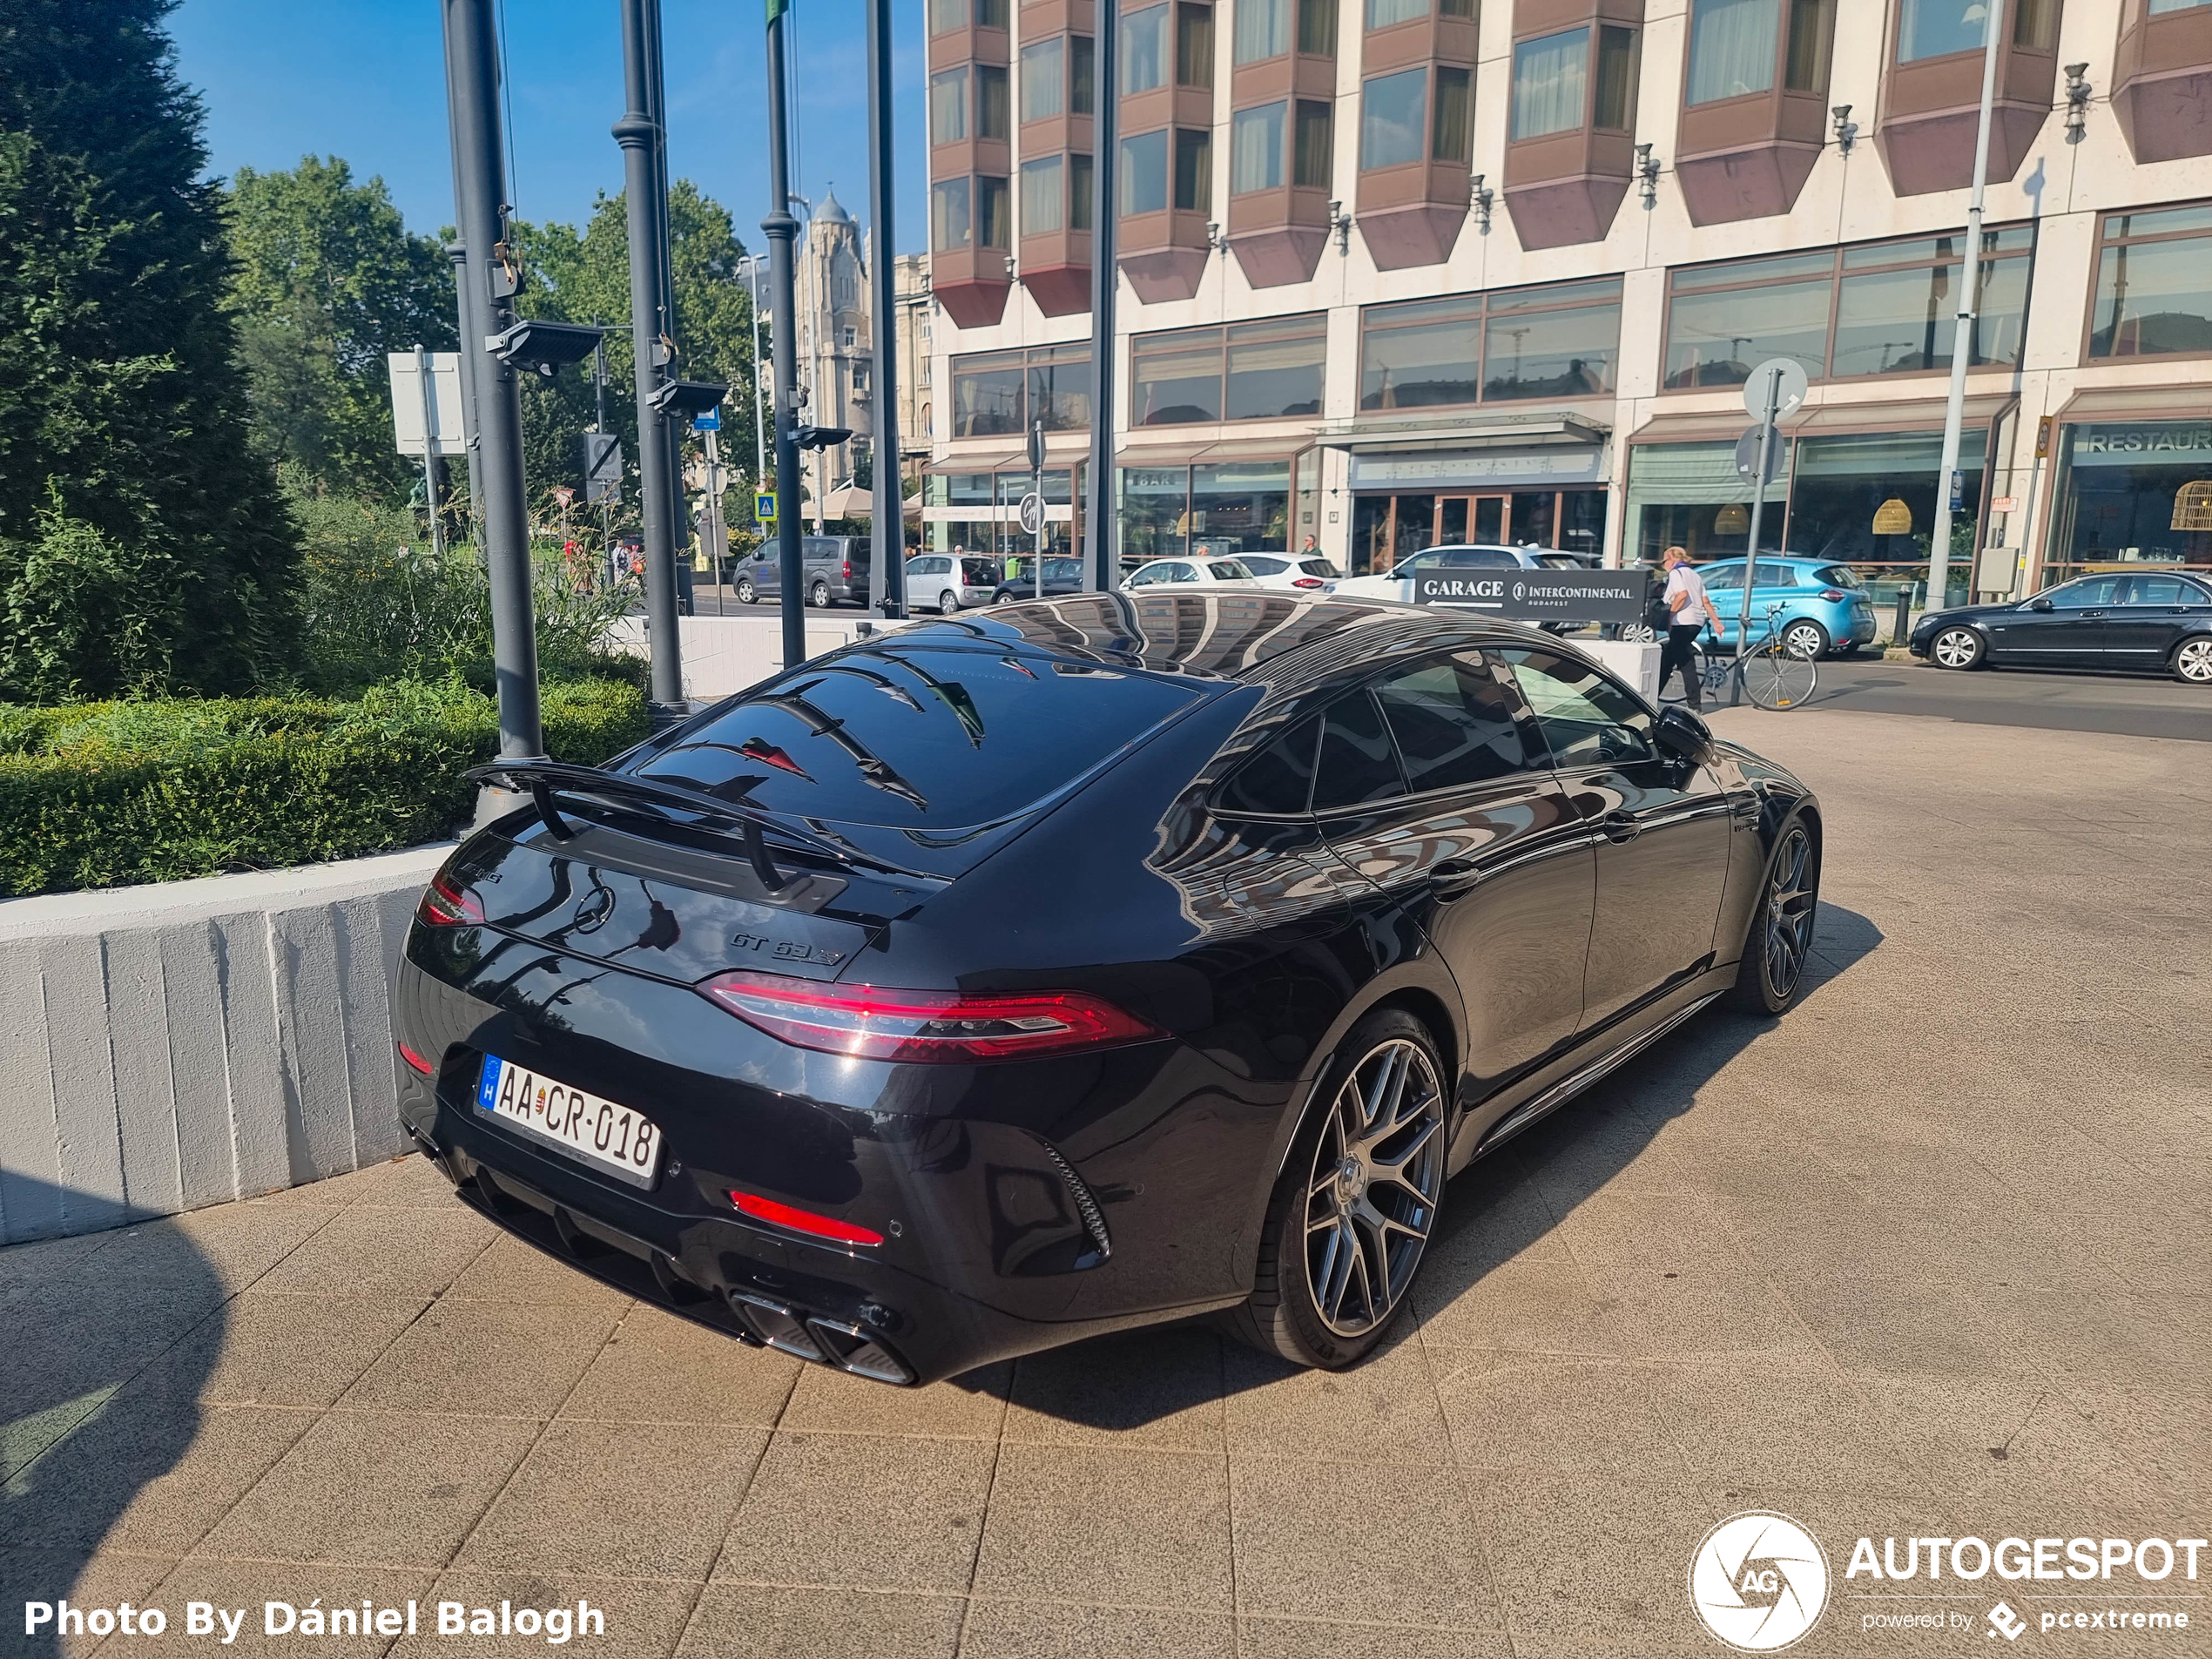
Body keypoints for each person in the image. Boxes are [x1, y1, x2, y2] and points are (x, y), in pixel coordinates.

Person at [1658, 546, 1716, 710]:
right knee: (1668, 659)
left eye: (1664, 561)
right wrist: (1716, 622)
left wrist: (1671, 615)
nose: (1664, 565)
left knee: (1686, 663)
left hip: (1682, 621)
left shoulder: (1676, 573)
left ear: (1672, 558)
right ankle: (1652, 697)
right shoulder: (1695, 575)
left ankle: (1695, 704)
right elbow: (1705, 600)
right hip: (1696, 621)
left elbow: (1682, 594)